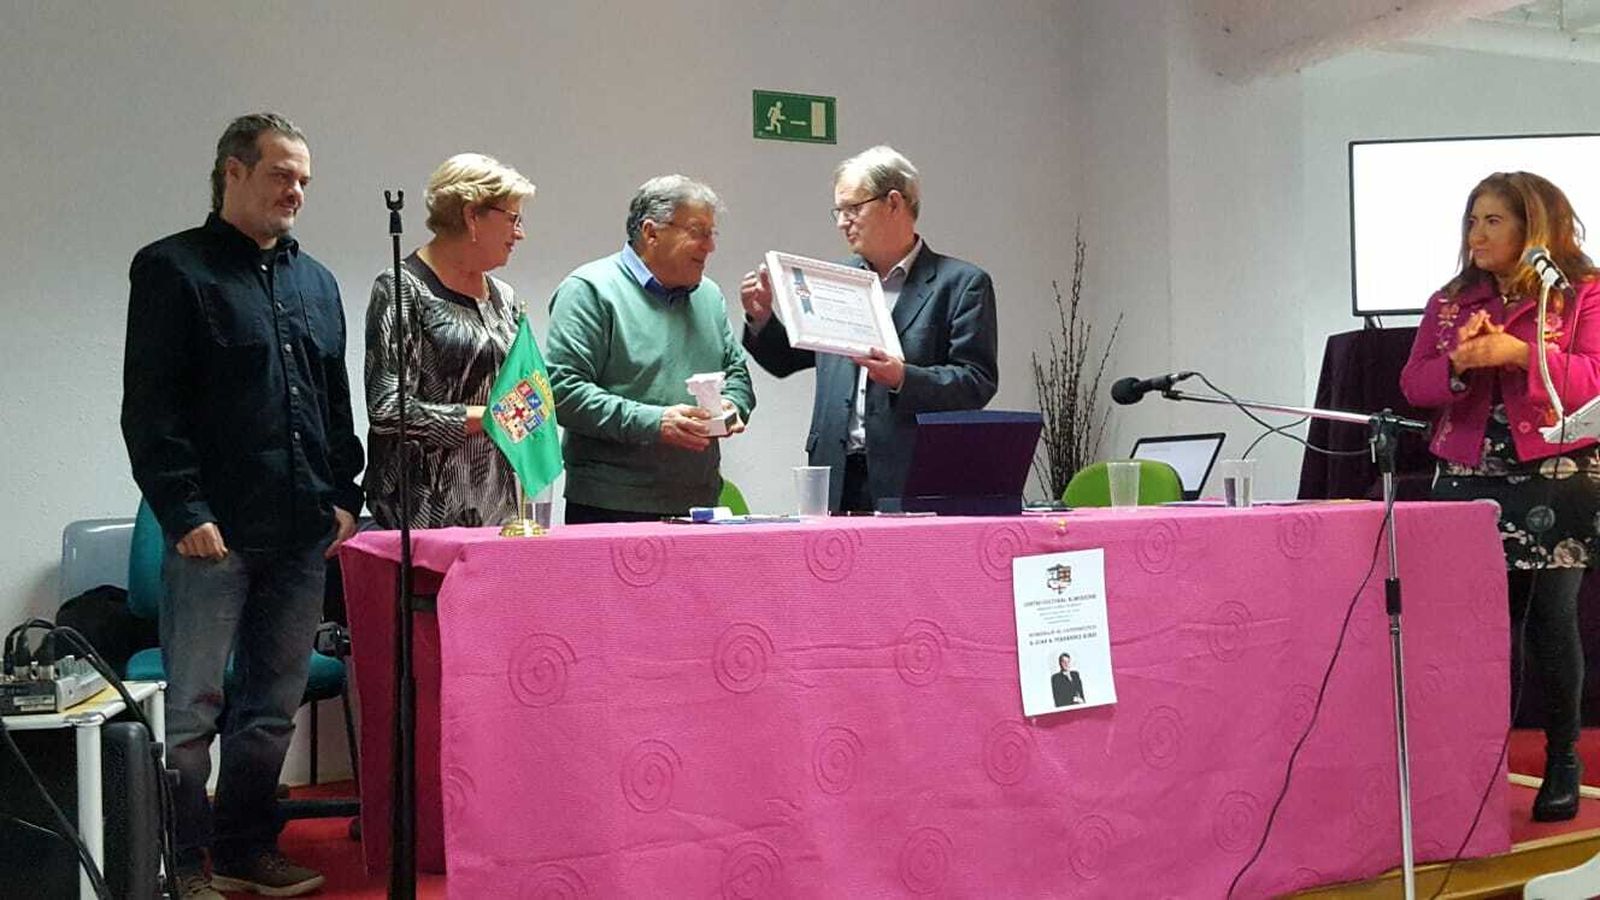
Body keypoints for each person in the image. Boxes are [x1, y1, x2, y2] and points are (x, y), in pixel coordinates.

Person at [121, 113, 362, 897]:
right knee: (191, 713)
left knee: (270, 711)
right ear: (232, 172)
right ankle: (184, 861)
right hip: (212, 537)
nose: (295, 190)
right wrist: (184, 512)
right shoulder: (173, 269)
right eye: (280, 174)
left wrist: (344, 497)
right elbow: (150, 410)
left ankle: (245, 850)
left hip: (299, 534)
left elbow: (334, 403)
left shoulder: (316, 281)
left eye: (304, 180)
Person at [1400, 171, 1600, 822]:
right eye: (1471, 221)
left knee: (1550, 621)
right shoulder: (1452, 300)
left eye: (1493, 221)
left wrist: (1518, 352)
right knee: (1479, 628)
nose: (1477, 234)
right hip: (1467, 476)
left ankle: (1562, 759)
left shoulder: (1580, 294)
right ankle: (1475, 765)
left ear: (1532, 225)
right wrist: (1460, 363)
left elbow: (1593, 378)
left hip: (1555, 471)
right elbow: (1415, 384)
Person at [739, 145, 999, 512]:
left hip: (913, 472)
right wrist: (762, 318)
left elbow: (976, 382)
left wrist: (902, 378)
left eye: (853, 209)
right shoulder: (836, 281)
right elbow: (787, 361)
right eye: (838, 211)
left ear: (894, 203)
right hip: (834, 471)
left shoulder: (960, 284)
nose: (842, 222)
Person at [545, 175, 755, 523]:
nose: (709, 246)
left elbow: (737, 373)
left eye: (711, 233)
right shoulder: (590, 290)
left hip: (700, 502)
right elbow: (563, 392)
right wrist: (655, 422)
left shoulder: (709, 295)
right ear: (651, 232)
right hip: (611, 504)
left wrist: (733, 405)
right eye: (697, 231)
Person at [364, 153, 535, 529]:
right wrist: (483, 419)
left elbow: (520, 395)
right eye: (512, 219)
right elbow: (388, 410)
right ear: (472, 215)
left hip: (497, 509)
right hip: (423, 513)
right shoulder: (401, 287)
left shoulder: (504, 297)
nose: (520, 233)